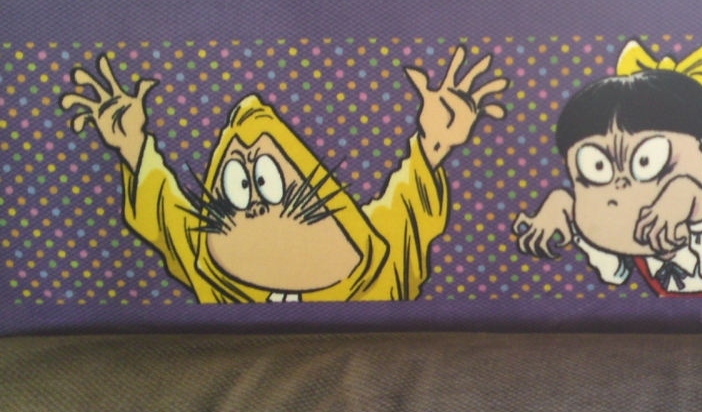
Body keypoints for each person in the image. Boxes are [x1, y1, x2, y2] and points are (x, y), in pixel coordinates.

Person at [60, 46, 506, 302]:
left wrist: (434, 143)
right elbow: (167, 219)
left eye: (267, 181)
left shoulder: (379, 263)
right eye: (238, 187)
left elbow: (407, 213)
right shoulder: (211, 277)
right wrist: (132, 147)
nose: (255, 203)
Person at [514, 38, 702, 296]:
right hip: (668, 316)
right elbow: (615, 273)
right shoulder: (629, 208)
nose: (621, 187)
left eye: (646, 161)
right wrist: (572, 216)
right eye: (597, 167)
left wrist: (698, 209)